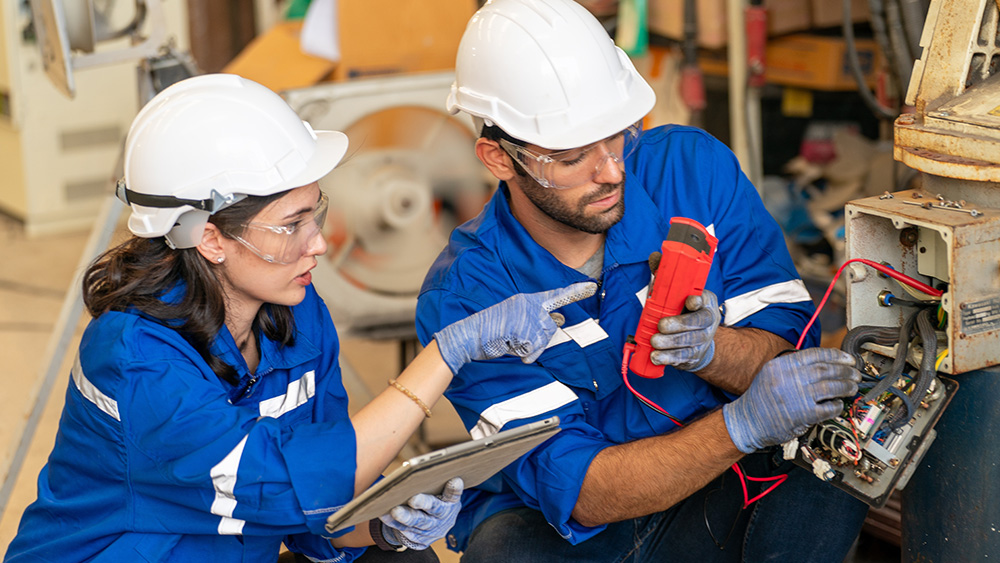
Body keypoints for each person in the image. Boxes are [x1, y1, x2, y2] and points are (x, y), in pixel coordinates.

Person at [3, 74, 595, 563]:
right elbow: (287, 483)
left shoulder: (296, 315)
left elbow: (323, 520)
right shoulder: (133, 361)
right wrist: (445, 354)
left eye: (317, 214)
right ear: (209, 238)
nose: (318, 244)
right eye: (291, 224)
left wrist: (386, 522)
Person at [414, 1, 870, 561]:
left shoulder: (690, 169)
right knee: (504, 551)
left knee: (836, 455)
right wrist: (740, 425)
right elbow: (580, 489)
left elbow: (784, 354)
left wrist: (711, 352)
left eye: (618, 135)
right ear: (500, 159)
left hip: (724, 479)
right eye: (574, 156)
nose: (611, 170)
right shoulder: (467, 295)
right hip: (578, 529)